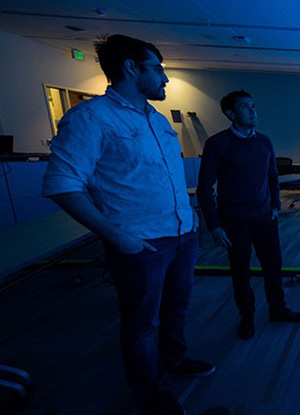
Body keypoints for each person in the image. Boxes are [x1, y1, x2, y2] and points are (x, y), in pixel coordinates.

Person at [42, 34, 214, 415]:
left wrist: (190, 219)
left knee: (177, 309)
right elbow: (62, 185)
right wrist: (119, 238)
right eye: (158, 69)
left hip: (182, 234)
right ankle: (152, 392)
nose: (165, 79)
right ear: (131, 68)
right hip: (140, 244)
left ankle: (172, 361)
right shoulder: (92, 118)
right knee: (142, 324)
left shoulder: (155, 118)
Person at [196, 90, 300, 340]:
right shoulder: (217, 144)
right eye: (246, 107)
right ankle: (246, 317)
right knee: (240, 271)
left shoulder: (264, 142)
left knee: (273, 267)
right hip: (234, 221)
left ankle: (278, 309)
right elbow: (205, 188)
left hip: (264, 217)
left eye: (253, 106)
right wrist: (214, 225)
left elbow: (272, 176)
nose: (253, 111)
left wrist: (276, 205)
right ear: (231, 114)